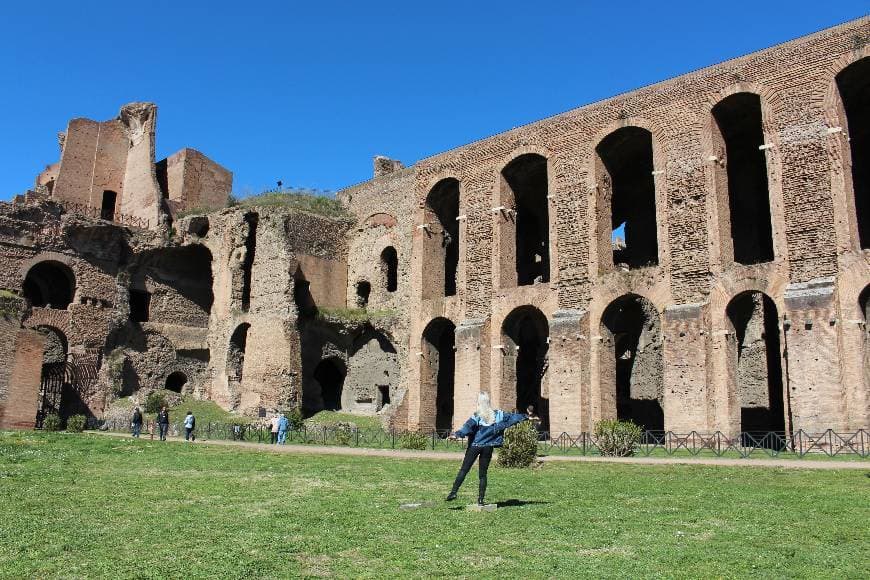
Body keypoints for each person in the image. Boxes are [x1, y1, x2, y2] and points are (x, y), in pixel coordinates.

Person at [446, 392, 528, 506]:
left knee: (464, 470)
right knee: (483, 474)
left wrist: (457, 434)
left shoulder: (477, 415)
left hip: (475, 446)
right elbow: (512, 417)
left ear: (479, 402)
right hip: (488, 448)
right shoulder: (498, 414)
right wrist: (525, 416)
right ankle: (481, 500)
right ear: (489, 402)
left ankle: (453, 492)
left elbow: (467, 427)